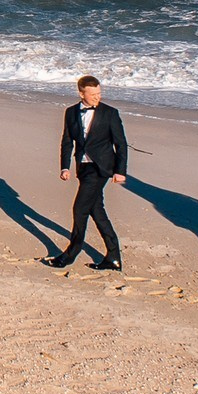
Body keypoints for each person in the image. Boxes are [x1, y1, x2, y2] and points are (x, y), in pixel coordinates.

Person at [45, 75, 127, 270]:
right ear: (81, 93)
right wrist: (64, 167)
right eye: (93, 95)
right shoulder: (71, 112)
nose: (97, 98)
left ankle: (70, 254)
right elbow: (67, 141)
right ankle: (113, 257)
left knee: (79, 209)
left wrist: (120, 171)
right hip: (83, 168)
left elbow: (120, 143)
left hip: (101, 169)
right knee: (97, 211)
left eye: (99, 93)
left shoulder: (110, 113)